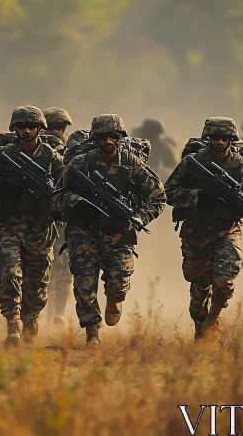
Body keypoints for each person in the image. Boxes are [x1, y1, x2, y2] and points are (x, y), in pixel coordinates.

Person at [52, 114, 165, 346]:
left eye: (112, 136)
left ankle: (115, 300)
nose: (107, 141)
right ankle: (92, 332)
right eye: (102, 137)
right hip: (83, 230)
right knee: (84, 282)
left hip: (119, 231)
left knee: (119, 281)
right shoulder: (80, 164)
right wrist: (77, 202)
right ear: (95, 139)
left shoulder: (132, 163)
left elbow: (157, 197)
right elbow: (55, 197)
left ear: (120, 137)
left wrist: (139, 217)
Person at [164, 117, 243, 340]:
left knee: (225, 278)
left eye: (225, 138)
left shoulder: (241, 165)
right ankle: (199, 327)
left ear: (232, 140)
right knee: (199, 283)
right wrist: (199, 196)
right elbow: (168, 192)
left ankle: (214, 318)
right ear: (208, 139)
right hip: (196, 231)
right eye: (215, 138)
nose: (220, 142)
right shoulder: (192, 163)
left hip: (227, 230)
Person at [0, 106, 64, 347]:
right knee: (10, 272)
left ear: (39, 129)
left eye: (31, 127)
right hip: (8, 226)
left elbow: (66, 188)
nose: (26, 131)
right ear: (15, 128)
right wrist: (1, 185)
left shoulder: (52, 157)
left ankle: (30, 318)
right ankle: (12, 323)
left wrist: (51, 199)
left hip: (40, 229)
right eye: (21, 126)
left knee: (36, 284)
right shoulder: (2, 156)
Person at [43, 107, 74, 326]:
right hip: (38, 220)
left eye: (59, 128)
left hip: (64, 220)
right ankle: (39, 313)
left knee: (64, 267)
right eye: (50, 128)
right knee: (40, 268)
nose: (55, 132)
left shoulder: (73, 150)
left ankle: (59, 311)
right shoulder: (32, 152)